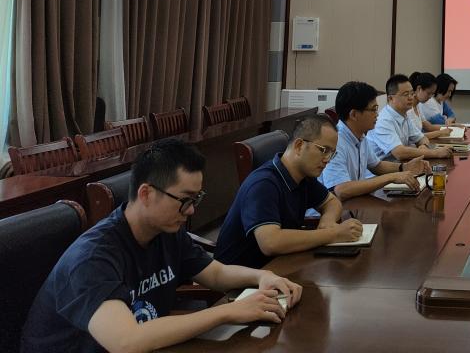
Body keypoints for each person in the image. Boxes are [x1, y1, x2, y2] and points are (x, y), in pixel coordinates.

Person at [21, 138, 302, 353]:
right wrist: (227, 312)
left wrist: (262, 276)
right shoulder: (93, 257)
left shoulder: (166, 230)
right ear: (146, 194)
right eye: (185, 199)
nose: (191, 210)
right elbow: (125, 341)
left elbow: (216, 274)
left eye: (196, 198)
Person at [214, 114, 363, 269]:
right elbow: (270, 243)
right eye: (323, 150)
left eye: (331, 153)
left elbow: (331, 202)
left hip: (278, 266)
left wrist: (328, 222)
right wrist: (333, 234)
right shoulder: (263, 184)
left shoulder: (303, 176)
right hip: (241, 277)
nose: (327, 159)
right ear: (299, 146)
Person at [320, 80, 433, 198]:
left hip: (355, 203)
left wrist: (404, 167)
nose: (377, 114)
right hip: (334, 208)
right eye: (373, 109)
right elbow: (342, 190)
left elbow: (376, 166)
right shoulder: (336, 141)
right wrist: (391, 177)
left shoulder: (360, 135)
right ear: (354, 114)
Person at [367, 73, 454, 162]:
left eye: (412, 93)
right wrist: (435, 153)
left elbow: (421, 138)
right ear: (390, 99)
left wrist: (423, 146)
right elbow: (399, 153)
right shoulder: (384, 120)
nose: (411, 97)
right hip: (385, 168)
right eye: (406, 94)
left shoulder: (404, 115)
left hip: (401, 164)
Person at [409, 71, 452, 137]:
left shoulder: (417, 106)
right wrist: (440, 132)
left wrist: (452, 128)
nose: (430, 97)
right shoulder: (408, 109)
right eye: (428, 93)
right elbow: (414, 137)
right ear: (419, 89)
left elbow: (429, 127)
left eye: (432, 94)